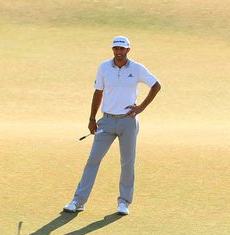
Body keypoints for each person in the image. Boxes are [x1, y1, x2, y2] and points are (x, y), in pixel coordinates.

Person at [63, 35, 161, 216]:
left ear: (128, 50)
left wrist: (141, 107)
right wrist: (92, 118)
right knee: (93, 160)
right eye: (116, 48)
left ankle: (124, 202)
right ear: (113, 50)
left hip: (128, 121)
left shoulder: (137, 69)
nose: (118, 52)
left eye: (122, 49)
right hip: (106, 121)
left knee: (127, 163)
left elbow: (156, 85)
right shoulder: (104, 67)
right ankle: (78, 201)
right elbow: (98, 92)